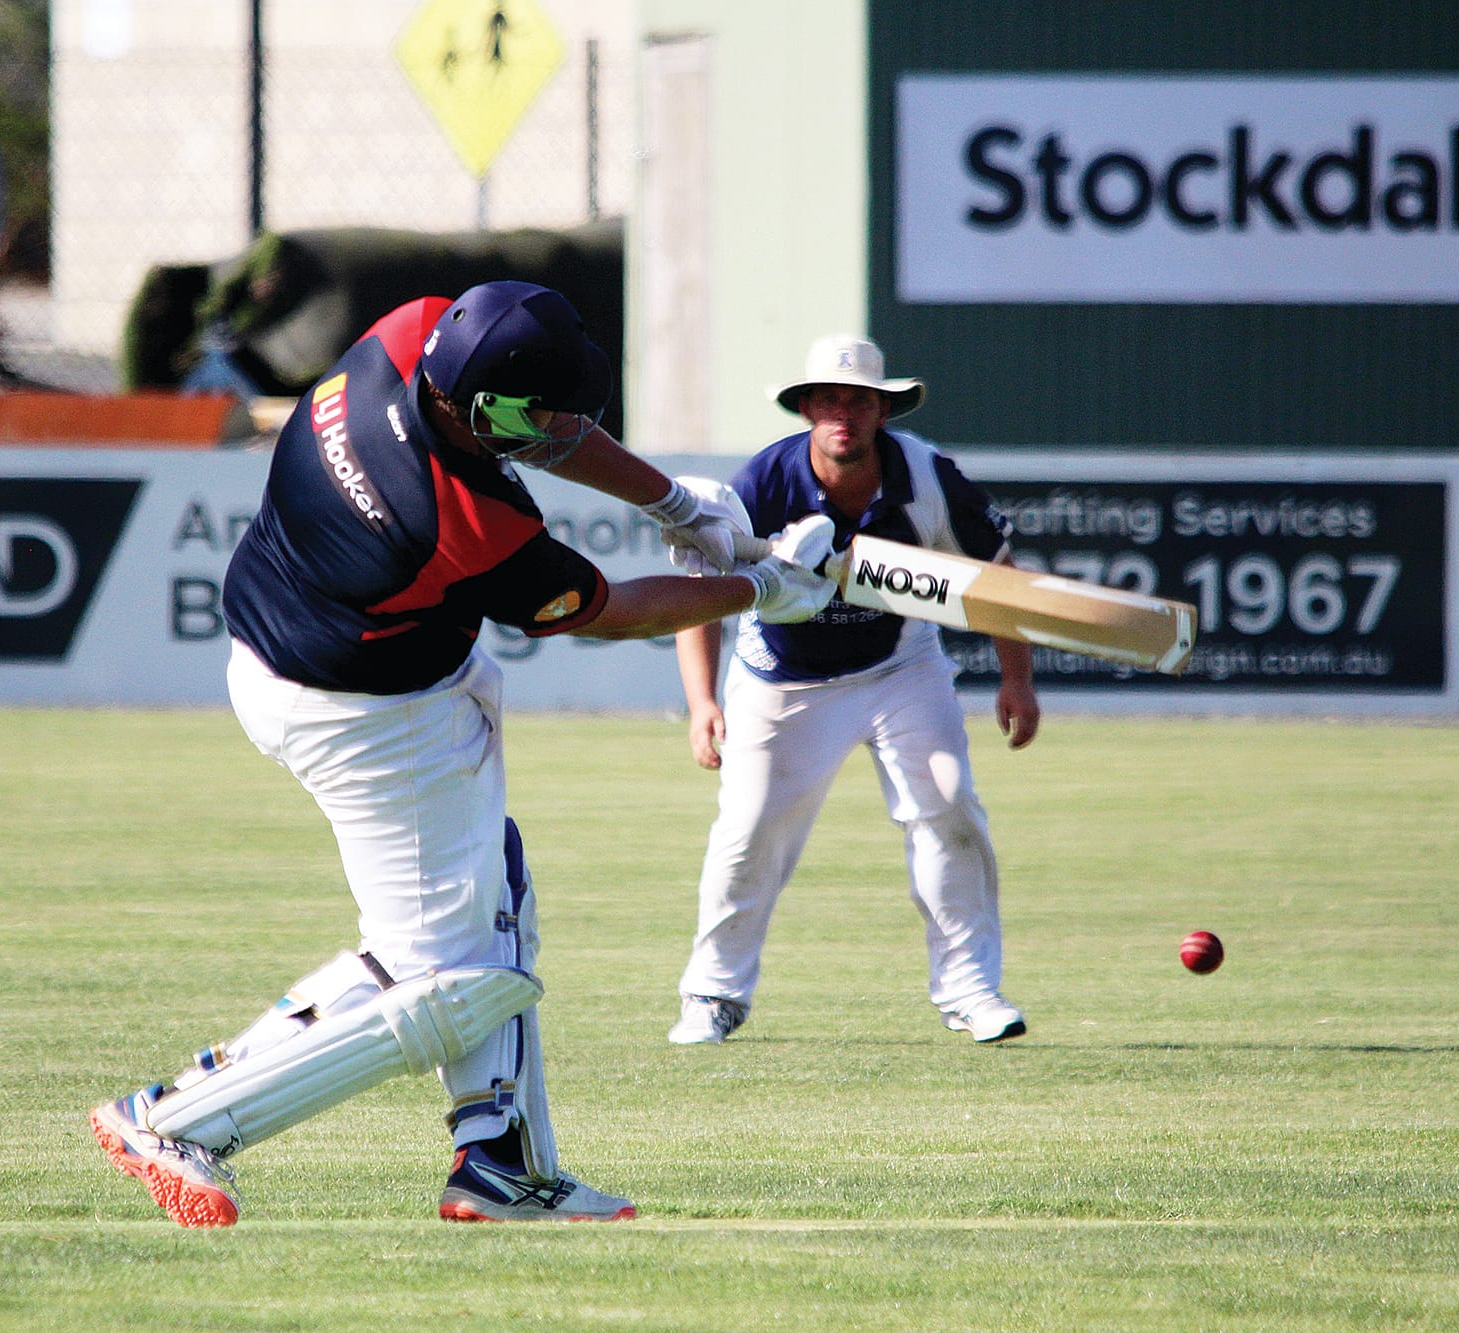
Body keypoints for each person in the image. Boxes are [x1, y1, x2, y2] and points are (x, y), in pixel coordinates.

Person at [88, 281, 836, 1227]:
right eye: (544, 408)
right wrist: (759, 588)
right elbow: (604, 610)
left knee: (496, 895)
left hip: (298, 652)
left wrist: (672, 499)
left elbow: (545, 428)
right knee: (447, 977)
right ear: (488, 410)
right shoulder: (456, 518)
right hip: (367, 719)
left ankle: (503, 1164)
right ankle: (178, 1118)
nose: (564, 422)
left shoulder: (410, 335)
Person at [665, 334, 1041, 1048]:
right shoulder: (763, 483)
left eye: (861, 401)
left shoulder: (928, 476)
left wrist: (1016, 679)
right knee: (748, 831)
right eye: (831, 400)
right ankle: (712, 995)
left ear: (882, 410)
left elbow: (997, 577)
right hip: (784, 677)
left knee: (949, 802)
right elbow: (701, 591)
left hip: (899, 664)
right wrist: (703, 701)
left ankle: (970, 991)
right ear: (807, 408)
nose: (846, 414)